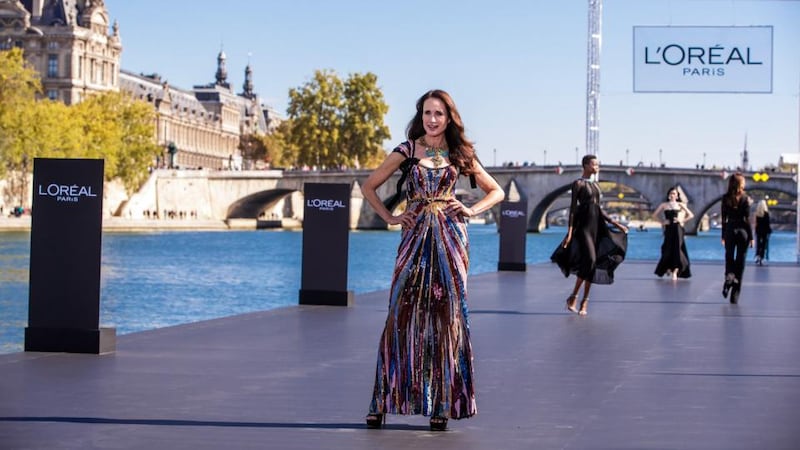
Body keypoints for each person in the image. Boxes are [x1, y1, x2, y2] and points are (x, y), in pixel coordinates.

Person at [360, 89, 505, 431]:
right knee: (400, 314)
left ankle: (443, 403)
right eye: (427, 113)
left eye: (439, 113)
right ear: (420, 116)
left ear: (449, 117)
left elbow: (496, 191)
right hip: (413, 240)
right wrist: (391, 217)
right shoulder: (407, 151)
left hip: (451, 241)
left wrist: (471, 210)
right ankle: (381, 401)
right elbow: (369, 187)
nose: (432, 119)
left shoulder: (459, 153)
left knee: (447, 318)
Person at [551, 154, 628, 315]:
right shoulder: (578, 184)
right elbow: (573, 210)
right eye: (595, 164)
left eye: (598, 164)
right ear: (586, 165)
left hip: (597, 228)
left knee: (591, 264)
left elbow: (598, 209)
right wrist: (569, 233)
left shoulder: (596, 186)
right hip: (584, 228)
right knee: (591, 260)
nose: (597, 167)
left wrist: (616, 224)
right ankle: (575, 297)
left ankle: (582, 300)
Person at [721, 172, 753, 304]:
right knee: (741, 261)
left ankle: (729, 278)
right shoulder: (746, 198)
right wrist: (751, 237)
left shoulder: (725, 198)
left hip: (730, 230)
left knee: (729, 257)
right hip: (743, 232)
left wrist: (723, 235)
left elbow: (724, 219)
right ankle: (735, 295)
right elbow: (747, 219)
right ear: (740, 184)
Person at [652, 187, 694, 280]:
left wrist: (681, 220)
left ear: (677, 196)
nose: (672, 195)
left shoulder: (680, 205)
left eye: (674, 193)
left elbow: (691, 215)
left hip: (678, 229)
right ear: (668, 195)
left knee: (677, 249)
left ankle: (675, 271)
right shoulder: (664, 205)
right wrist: (663, 222)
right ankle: (667, 268)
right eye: (671, 193)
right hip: (668, 229)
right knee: (666, 248)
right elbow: (654, 215)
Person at [754, 199, 772, 266]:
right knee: (764, 244)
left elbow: (756, 223)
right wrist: (769, 231)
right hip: (764, 231)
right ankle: (762, 258)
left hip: (758, 231)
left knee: (758, 244)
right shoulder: (766, 214)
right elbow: (767, 224)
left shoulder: (757, 214)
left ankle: (757, 256)